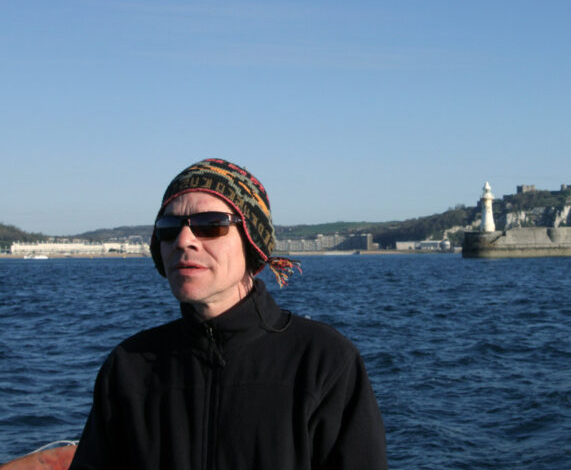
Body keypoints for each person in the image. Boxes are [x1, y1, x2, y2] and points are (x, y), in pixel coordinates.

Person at [70, 158, 388, 469]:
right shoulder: (128, 368)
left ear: (252, 241)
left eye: (210, 224)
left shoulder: (324, 362)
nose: (183, 241)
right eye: (168, 228)